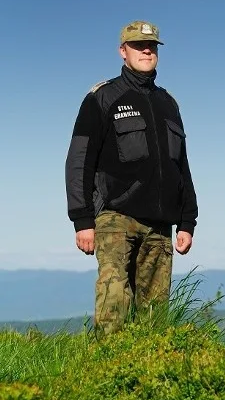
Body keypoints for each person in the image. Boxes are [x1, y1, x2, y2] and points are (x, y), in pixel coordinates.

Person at [64, 21, 198, 334]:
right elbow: (79, 160)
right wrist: (82, 219)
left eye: (151, 46)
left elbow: (182, 165)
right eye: (138, 45)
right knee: (113, 307)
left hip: (161, 225)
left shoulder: (169, 103)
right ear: (123, 51)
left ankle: (147, 376)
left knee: (155, 317)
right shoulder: (102, 97)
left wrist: (188, 220)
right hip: (115, 218)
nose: (146, 50)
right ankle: (107, 374)